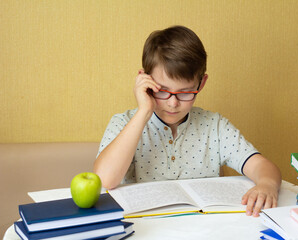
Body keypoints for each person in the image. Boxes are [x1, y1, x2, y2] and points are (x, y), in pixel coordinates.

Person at [94, 25, 282, 217]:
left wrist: (267, 184)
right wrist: (144, 111)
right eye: (162, 91)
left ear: (201, 83)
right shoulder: (124, 123)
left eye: (185, 93)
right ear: (144, 80)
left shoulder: (215, 126)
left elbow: (262, 166)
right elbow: (105, 179)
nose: (173, 103)